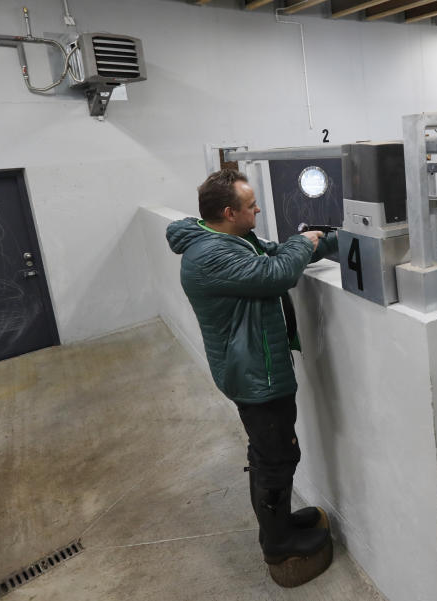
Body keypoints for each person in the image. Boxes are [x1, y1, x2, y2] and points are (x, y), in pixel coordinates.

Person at [165, 169, 338, 587]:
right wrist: (303, 241)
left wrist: (330, 240)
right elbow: (276, 273)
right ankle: (278, 545)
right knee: (276, 459)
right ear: (229, 212)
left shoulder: (230, 239)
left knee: (270, 454)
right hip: (254, 375)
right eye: (251, 205)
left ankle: (277, 525)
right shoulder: (210, 255)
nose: (258, 209)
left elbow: (274, 253)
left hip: (254, 366)